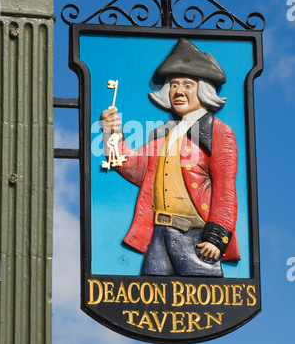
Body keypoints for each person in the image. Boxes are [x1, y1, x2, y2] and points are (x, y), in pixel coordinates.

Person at [101, 38, 240, 276]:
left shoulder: (219, 132)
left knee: (204, 307)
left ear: (203, 89)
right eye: (174, 85)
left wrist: (216, 238)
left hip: (197, 239)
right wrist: (111, 132)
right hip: (158, 236)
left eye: (188, 85)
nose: (179, 91)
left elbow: (225, 190)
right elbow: (133, 166)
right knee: (150, 307)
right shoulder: (163, 133)